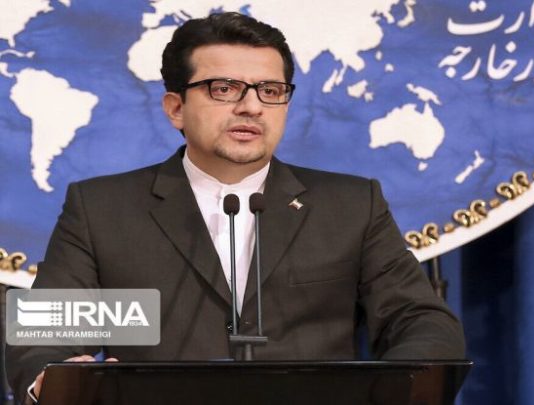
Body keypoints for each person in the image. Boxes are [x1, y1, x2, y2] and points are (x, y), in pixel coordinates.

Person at [6, 12, 465, 403]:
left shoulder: (350, 206)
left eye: (270, 90)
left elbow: (420, 320)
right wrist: (54, 377)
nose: (251, 107)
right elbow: (46, 335)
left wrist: (396, 389)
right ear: (175, 108)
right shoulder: (103, 210)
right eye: (224, 88)